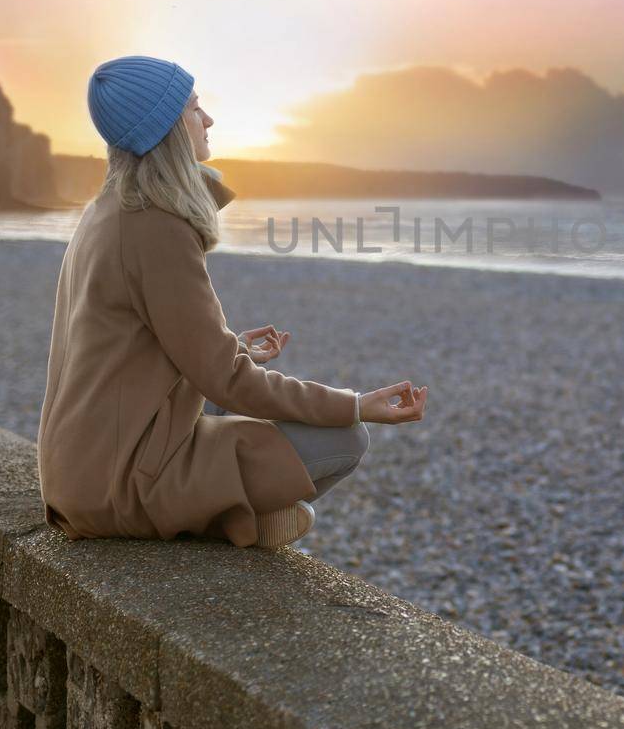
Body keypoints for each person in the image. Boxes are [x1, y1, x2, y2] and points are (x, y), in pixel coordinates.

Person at [36, 55, 427, 548]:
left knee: (242, 405)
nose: (208, 119)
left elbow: (132, 349)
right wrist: (354, 404)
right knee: (346, 438)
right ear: (167, 128)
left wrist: (232, 346)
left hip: (81, 466)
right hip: (116, 482)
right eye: (195, 108)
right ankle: (235, 522)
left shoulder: (110, 210)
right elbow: (228, 380)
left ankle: (251, 521)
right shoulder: (155, 226)